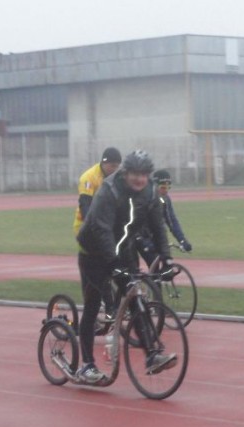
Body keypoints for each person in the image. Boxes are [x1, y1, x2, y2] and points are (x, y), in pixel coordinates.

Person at [75, 149, 177, 383]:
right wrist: (114, 265)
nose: (139, 179)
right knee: (92, 306)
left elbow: (158, 226)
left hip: (122, 249)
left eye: (144, 174)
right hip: (93, 251)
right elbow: (101, 229)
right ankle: (87, 365)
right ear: (126, 173)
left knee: (134, 297)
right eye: (134, 174)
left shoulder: (150, 192)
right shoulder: (109, 191)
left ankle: (152, 355)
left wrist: (166, 258)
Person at [72, 147, 122, 321]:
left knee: (114, 263)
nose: (114, 169)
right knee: (100, 268)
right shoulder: (89, 178)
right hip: (85, 228)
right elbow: (86, 206)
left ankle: (110, 305)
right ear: (104, 162)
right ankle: (108, 308)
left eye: (117, 166)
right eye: (112, 166)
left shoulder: (116, 178)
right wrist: (94, 228)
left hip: (105, 227)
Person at [136, 169, 193, 267]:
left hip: (157, 235)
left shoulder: (166, 199)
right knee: (153, 264)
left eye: (168, 187)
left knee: (167, 264)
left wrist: (182, 241)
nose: (166, 191)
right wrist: (145, 242)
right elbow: (138, 224)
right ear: (154, 186)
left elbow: (172, 221)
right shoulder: (145, 198)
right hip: (139, 236)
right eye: (163, 187)